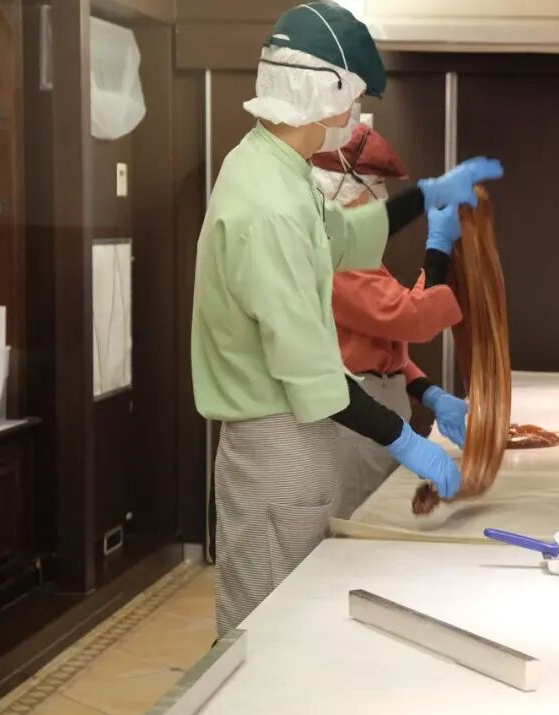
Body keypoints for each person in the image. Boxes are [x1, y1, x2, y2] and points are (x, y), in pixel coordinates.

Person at [191, 2, 503, 637]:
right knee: (268, 630)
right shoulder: (268, 205)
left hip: (302, 433)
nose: (356, 115)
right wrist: (408, 442)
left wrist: (426, 197)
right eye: (354, 99)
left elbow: (343, 235)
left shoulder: (276, 169)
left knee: (300, 617)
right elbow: (311, 372)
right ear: (324, 92)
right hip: (276, 441)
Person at [310, 125, 469, 518]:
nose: (382, 195)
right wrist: (437, 251)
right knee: (362, 524)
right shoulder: (336, 257)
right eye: (377, 183)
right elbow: (408, 317)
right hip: (356, 413)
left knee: (384, 517)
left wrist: (426, 391)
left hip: (382, 404)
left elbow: (380, 342)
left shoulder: (356, 250)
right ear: (342, 187)